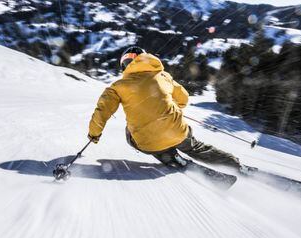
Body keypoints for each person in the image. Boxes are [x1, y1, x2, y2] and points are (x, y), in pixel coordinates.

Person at [88, 46, 247, 172]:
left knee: (131, 132)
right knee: (196, 147)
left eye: (127, 60)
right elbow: (183, 98)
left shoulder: (117, 87)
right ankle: (236, 165)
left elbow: (102, 111)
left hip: (146, 141)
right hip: (177, 131)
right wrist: (168, 107)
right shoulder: (164, 76)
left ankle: (170, 156)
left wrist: (94, 134)